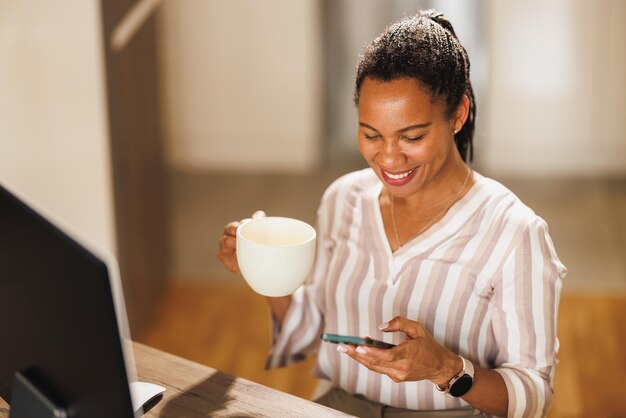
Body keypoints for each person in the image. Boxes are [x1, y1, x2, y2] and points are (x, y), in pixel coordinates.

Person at [218, 10, 566, 418]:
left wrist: (447, 369)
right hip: (340, 407)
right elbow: (312, 334)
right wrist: (266, 266)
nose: (388, 157)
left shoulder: (514, 233)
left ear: (458, 114)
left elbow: (534, 397)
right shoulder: (343, 199)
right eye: (371, 134)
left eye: (412, 136)